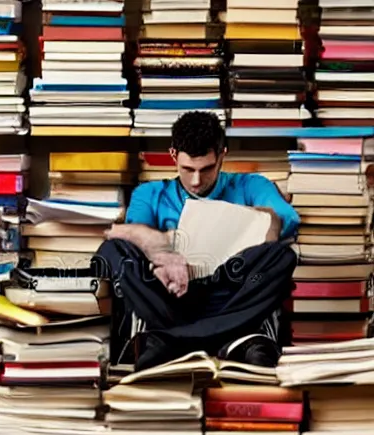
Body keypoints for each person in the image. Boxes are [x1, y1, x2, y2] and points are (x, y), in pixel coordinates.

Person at [96, 111, 300, 370]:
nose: (196, 180)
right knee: (116, 250)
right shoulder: (150, 193)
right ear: (173, 156)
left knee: (282, 256)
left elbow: (282, 220)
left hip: (231, 294)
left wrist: (232, 222)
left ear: (222, 155)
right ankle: (229, 339)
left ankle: (173, 341)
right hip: (173, 299)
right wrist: (165, 253)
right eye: (187, 169)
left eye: (207, 169)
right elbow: (133, 234)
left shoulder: (251, 185)